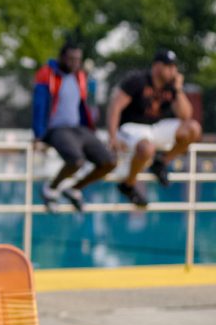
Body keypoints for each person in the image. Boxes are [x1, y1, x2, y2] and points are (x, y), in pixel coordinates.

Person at [107, 49, 202, 208]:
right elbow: (115, 107)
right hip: (132, 127)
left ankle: (161, 162)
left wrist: (178, 89)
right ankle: (128, 185)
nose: (173, 70)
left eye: (174, 66)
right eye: (168, 66)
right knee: (147, 148)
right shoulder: (137, 80)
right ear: (157, 66)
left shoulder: (171, 86)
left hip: (156, 127)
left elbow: (186, 115)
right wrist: (112, 137)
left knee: (193, 128)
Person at [32, 44, 116, 212]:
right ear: (62, 58)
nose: (75, 62)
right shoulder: (47, 74)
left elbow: (84, 105)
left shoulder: (80, 77)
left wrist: (90, 126)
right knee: (76, 161)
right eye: (71, 59)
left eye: (78, 59)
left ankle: (74, 189)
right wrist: (38, 134)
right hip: (56, 129)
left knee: (109, 162)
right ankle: (51, 189)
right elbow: (39, 105)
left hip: (78, 128)